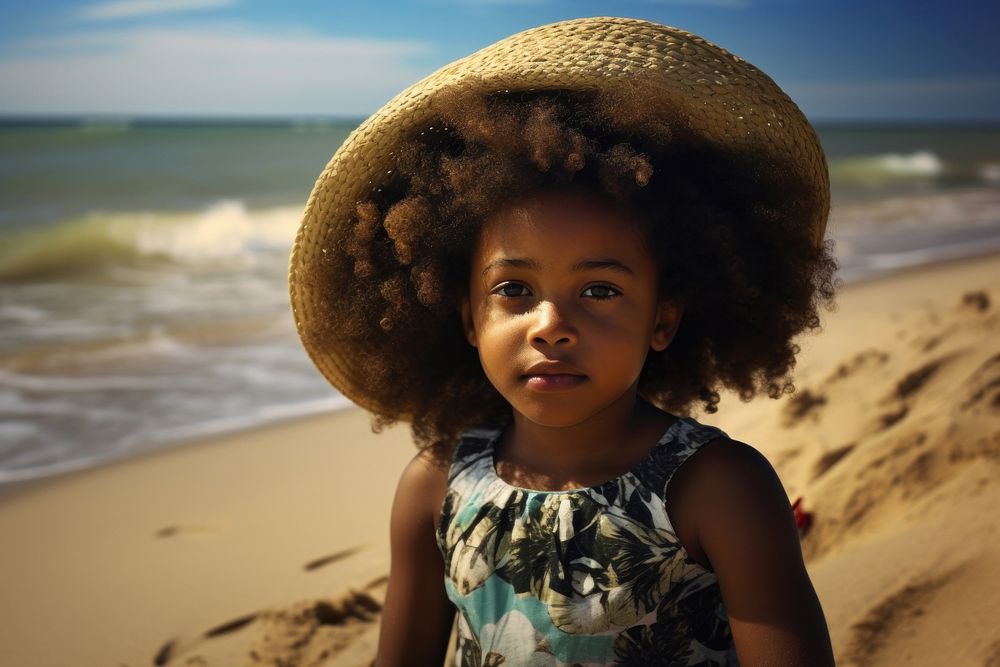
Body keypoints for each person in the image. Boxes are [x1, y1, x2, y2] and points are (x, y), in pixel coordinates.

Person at [289, 17, 838, 666]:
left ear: (663, 318)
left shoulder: (716, 488)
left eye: (600, 289)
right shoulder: (437, 485)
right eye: (514, 289)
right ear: (468, 317)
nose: (550, 323)